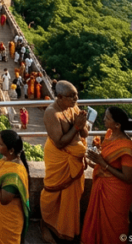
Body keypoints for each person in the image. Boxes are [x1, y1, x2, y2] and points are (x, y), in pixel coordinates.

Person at [81, 107, 132, 244]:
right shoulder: (109, 134)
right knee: (99, 222)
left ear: (118, 125)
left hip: (117, 192)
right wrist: (94, 162)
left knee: (114, 227)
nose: (104, 120)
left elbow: (129, 178)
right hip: (103, 185)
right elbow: (107, 163)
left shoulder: (126, 147)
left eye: (107, 118)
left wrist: (102, 163)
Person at [40, 80, 88, 244]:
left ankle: (65, 228)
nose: (75, 100)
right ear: (59, 97)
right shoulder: (51, 113)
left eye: (76, 96)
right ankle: (47, 224)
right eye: (71, 97)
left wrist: (82, 124)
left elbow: (85, 134)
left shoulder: (72, 107)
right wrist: (76, 127)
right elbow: (59, 142)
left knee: (71, 197)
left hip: (74, 158)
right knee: (52, 192)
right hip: (58, 158)